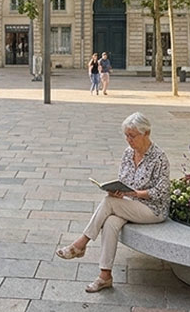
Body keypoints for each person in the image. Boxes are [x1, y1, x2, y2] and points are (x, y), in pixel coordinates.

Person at [56, 113, 170, 293]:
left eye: (132, 136)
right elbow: (123, 180)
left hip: (153, 209)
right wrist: (116, 190)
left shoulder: (159, 158)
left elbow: (161, 191)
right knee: (110, 222)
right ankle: (105, 276)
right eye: (126, 135)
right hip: (128, 204)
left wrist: (135, 193)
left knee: (109, 203)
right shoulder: (128, 153)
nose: (129, 140)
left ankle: (81, 244)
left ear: (146, 133)